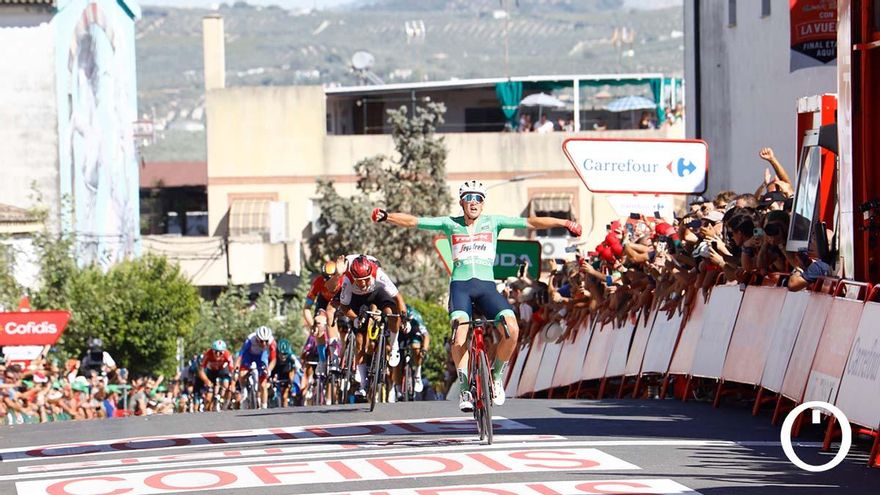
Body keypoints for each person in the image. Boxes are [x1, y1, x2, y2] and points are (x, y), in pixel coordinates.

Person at [371, 179, 582, 412]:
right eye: (469, 198)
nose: (474, 202)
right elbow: (415, 221)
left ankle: (496, 376)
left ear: (483, 203)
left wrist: (564, 222)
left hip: (486, 288)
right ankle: (464, 389)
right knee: (459, 335)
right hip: (460, 287)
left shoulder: (494, 222)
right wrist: (386, 216)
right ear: (461, 202)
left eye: (478, 198)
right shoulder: (450, 224)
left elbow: (532, 221)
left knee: (512, 330)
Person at [337, 254, 406, 400]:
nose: (363, 284)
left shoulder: (378, 274)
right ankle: (363, 384)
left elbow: (398, 298)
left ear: (371, 274)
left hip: (377, 293)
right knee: (360, 341)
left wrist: (403, 317)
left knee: (392, 314)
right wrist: (355, 318)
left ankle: (394, 347)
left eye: (366, 280)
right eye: (359, 281)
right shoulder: (348, 279)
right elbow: (344, 306)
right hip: (357, 299)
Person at [303, 258, 343, 370]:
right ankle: (322, 359)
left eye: (329, 280)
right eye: (325, 279)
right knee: (319, 324)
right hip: (324, 301)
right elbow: (306, 308)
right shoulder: (318, 282)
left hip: (340, 299)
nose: (327, 283)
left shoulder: (343, 280)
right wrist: (312, 325)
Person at [390, 304, 431, 401]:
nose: (405, 322)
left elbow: (426, 336)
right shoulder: (395, 316)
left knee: (415, 347)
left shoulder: (416, 318)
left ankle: (417, 373)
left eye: (407, 320)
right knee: (397, 361)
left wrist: (424, 349)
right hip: (400, 335)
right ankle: (398, 388)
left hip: (413, 333)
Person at [233, 326, 277, 409]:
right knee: (242, 373)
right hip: (249, 355)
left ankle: (264, 406)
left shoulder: (272, 342)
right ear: (257, 338)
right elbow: (240, 356)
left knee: (263, 384)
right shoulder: (250, 340)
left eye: (266, 341)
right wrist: (236, 370)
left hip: (261, 356)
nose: (264, 344)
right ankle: (243, 389)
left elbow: (273, 359)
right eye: (261, 341)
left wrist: (269, 370)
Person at [196, 340, 234, 410]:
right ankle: (207, 409)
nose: (218, 354)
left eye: (220, 352)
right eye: (215, 352)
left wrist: (232, 383)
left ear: (224, 351)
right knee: (208, 397)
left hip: (223, 370)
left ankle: (225, 401)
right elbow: (200, 370)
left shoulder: (227, 354)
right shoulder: (208, 354)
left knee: (227, 385)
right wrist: (207, 381)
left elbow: (232, 370)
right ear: (212, 350)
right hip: (211, 371)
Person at [271, 339, 301, 407]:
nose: (283, 356)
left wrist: (299, 369)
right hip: (277, 371)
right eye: (281, 354)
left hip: (287, 372)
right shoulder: (274, 355)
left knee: (284, 396)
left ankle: (293, 388)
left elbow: (298, 365)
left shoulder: (291, 356)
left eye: (285, 354)